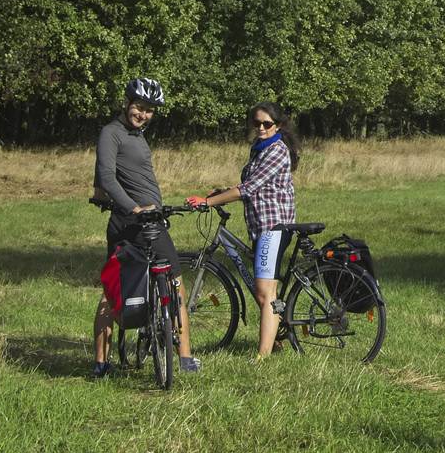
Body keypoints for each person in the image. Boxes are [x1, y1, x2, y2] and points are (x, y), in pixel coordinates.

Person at [91, 76, 199, 378]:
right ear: (127, 103)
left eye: (150, 110)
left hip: (152, 222)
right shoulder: (111, 132)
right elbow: (107, 174)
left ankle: (185, 356)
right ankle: (101, 362)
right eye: (140, 107)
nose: (144, 114)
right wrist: (132, 207)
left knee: (174, 283)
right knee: (113, 292)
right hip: (128, 222)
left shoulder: (138, 135)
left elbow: (116, 176)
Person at [189, 102, 297, 359]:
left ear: (278, 126)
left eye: (267, 124)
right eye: (256, 123)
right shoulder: (259, 149)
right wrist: (220, 193)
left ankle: (262, 357)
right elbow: (249, 183)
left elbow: (248, 189)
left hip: (273, 227)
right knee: (266, 291)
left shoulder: (276, 150)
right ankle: (277, 341)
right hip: (261, 227)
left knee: (264, 292)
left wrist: (208, 202)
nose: (261, 128)